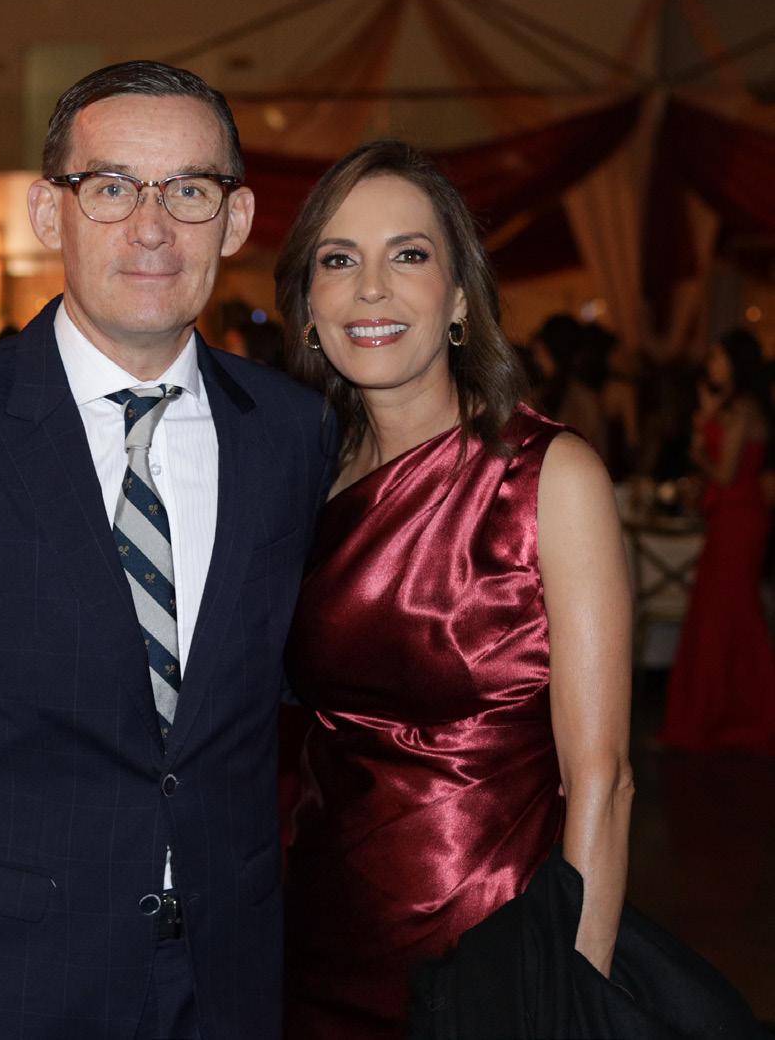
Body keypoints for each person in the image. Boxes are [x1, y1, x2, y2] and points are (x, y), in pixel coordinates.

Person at [0, 61, 334, 1040]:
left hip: (231, 982)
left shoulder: (290, 435)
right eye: (112, 187)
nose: (152, 227)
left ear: (237, 218)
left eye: (189, 190)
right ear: (51, 212)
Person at [274, 140, 634, 1038]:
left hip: (494, 957)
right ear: (308, 308)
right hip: (314, 940)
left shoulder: (547, 477)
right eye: (337, 260)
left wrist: (568, 999)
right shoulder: (295, 479)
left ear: (461, 298)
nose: (370, 289)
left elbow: (601, 779)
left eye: (407, 255)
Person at [659, 328, 775, 755]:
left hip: (740, 519)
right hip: (731, 518)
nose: (711, 364)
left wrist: (697, 449)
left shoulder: (743, 409)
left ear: (735, 363)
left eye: (718, 357)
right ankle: (720, 716)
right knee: (721, 614)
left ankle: (738, 717)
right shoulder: (735, 407)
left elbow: (724, 474)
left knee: (728, 615)